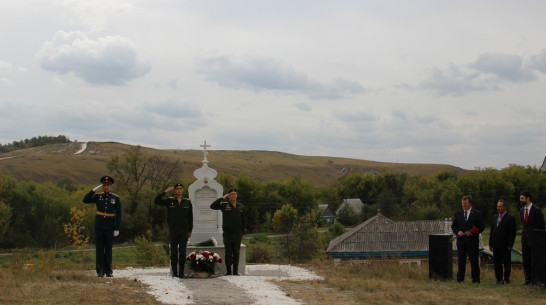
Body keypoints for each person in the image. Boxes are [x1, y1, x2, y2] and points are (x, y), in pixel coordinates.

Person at [83, 175, 122, 277]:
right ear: (102, 186)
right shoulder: (98, 196)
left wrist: (117, 228)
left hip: (109, 227)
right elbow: (85, 200)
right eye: (104, 185)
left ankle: (108, 271)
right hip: (99, 227)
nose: (106, 187)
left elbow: (119, 214)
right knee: (99, 250)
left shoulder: (116, 198)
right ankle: (100, 271)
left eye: (108, 185)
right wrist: (93, 190)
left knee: (108, 250)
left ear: (111, 186)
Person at [154, 183, 193, 278]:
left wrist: (190, 230)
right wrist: (165, 191)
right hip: (173, 230)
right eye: (177, 189)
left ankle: (181, 272)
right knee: (174, 252)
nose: (179, 190)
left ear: (182, 190)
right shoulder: (170, 201)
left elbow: (190, 217)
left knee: (183, 252)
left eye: (180, 188)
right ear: (174, 191)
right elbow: (157, 200)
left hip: (184, 230)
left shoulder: (187, 202)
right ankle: (174, 272)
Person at [210, 188, 246, 275]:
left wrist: (243, 233)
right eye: (231, 194)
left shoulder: (241, 206)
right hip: (227, 233)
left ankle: (235, 271)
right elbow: (212, 206)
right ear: (229, 196)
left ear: (237, 196)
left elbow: (244, 220)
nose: (233, 195)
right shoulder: (224, 205)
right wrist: (222, 198)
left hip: (237, 233)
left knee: (236, 253)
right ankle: (229, 272)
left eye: (235, 194)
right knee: (228, 253)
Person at [451, 195, 484, 283]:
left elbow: (481, 227)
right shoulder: (458, 214)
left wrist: (472, 232)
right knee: (461, 261)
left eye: (465, 203)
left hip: (472, 242)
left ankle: (476, 279)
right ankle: (460, 279)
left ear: (470, 204)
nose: (464, 205)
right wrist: (458, 232)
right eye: (462, 203)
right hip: (461, 242)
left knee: (474, 262)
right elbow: (454, 226)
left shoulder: (477, 214)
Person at [519, 191, 545, 285]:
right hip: (525, 240)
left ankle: (535, 280)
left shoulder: (537, 210)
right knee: (526, 260)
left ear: (528, 198)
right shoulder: (522, 210)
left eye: (522, 198)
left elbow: (541, 226)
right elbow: (524, 225)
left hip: (534, 240)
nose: (520, 200)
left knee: (534, 260)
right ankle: (528, 279)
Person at [488, 199, 516, 284]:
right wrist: (490, 243)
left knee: (506, 263)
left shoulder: (510, 218)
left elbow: (512, 233)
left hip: (505, 245)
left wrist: (510, 244)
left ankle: (506, 279)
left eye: (500, 206)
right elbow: (492, 231)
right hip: (496, 244)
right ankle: (499, 279)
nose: (498, 208)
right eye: (497, 206)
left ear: (505, 207)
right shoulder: (495, 217)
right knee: (497, 263)